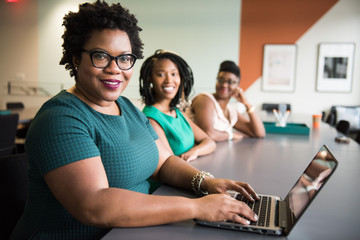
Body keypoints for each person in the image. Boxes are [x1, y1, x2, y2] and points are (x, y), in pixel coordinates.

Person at [10, 1, 259, 239]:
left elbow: (164, 163)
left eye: (125, 58)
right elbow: (94, 205)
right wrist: (198, 208)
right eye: (101, 56)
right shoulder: (61, 118)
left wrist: (207, 183)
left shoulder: (126, 107)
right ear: (76, 58)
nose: (115, 68)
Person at [139, 50, 216, 162]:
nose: (169, 80)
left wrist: (195, 151)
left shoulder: (176, 112)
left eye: (174, 74)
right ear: (150, 78)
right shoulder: (151, 118)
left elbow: (209, 142)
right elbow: (170, 163)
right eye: (161, 74)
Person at [191, 60, 266, 141]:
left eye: (230, 82)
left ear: (238, 85)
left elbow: (259, 133)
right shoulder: (205, 99)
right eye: (221, 80)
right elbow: (208, 134)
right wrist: (231, 135)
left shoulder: (230, 111)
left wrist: (247, 104)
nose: (224, 85)